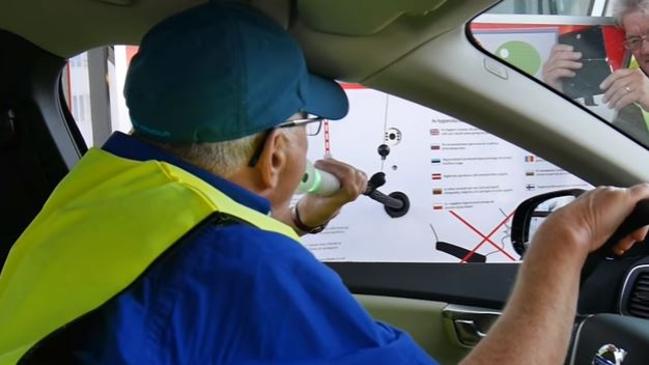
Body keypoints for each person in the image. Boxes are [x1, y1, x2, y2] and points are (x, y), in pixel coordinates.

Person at [0, 2, 648, 365]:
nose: (312, 136)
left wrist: (304, 213)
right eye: (305, 119)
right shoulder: (244, 266)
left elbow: (174, 269)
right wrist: (564, 238)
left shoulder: (96, 196)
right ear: (275, 152)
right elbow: (213, 270)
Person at [542, 0, 649, 145]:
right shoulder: (627, 87)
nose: (645, 50)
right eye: (635, 41)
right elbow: (592, 151)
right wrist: (556, 94)